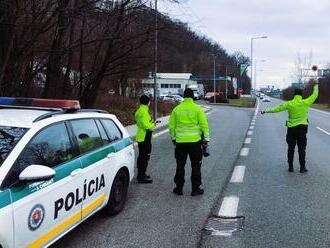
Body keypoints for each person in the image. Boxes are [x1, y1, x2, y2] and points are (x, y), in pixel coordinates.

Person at [261, 80, 319, 173]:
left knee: (291, 148)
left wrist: (265, 110)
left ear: (294, 95)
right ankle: (302, 168)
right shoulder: (305, 102)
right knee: (302, 149)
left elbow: (276, 109)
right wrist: (316, 85)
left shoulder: (289, 104)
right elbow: (315, 95)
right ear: (301, 95)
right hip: (302, 129)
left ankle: (290, 167)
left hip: (291, 129)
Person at [169, 88, 210, 196]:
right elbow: (204, 125)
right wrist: (206, 139)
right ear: (192, 96)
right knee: (196, 165)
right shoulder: (198, 109)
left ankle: (179, 188)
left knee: (180, 165)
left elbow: (171, 127)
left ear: (183, 96)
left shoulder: (176, 109)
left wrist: (174, 138)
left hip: (180, 142)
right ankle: (195, 189)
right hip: (195, 142)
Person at [135, 95, 155, 183]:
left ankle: (141, 173)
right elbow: (146, 125)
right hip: (145, 137)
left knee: (142, 156)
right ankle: (141, 176)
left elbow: (140, 122)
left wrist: (150, 123)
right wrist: (153, 125)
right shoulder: (144, 111)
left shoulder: (139, 110)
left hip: (141, 136)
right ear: (148, 102)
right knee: (145, 157)